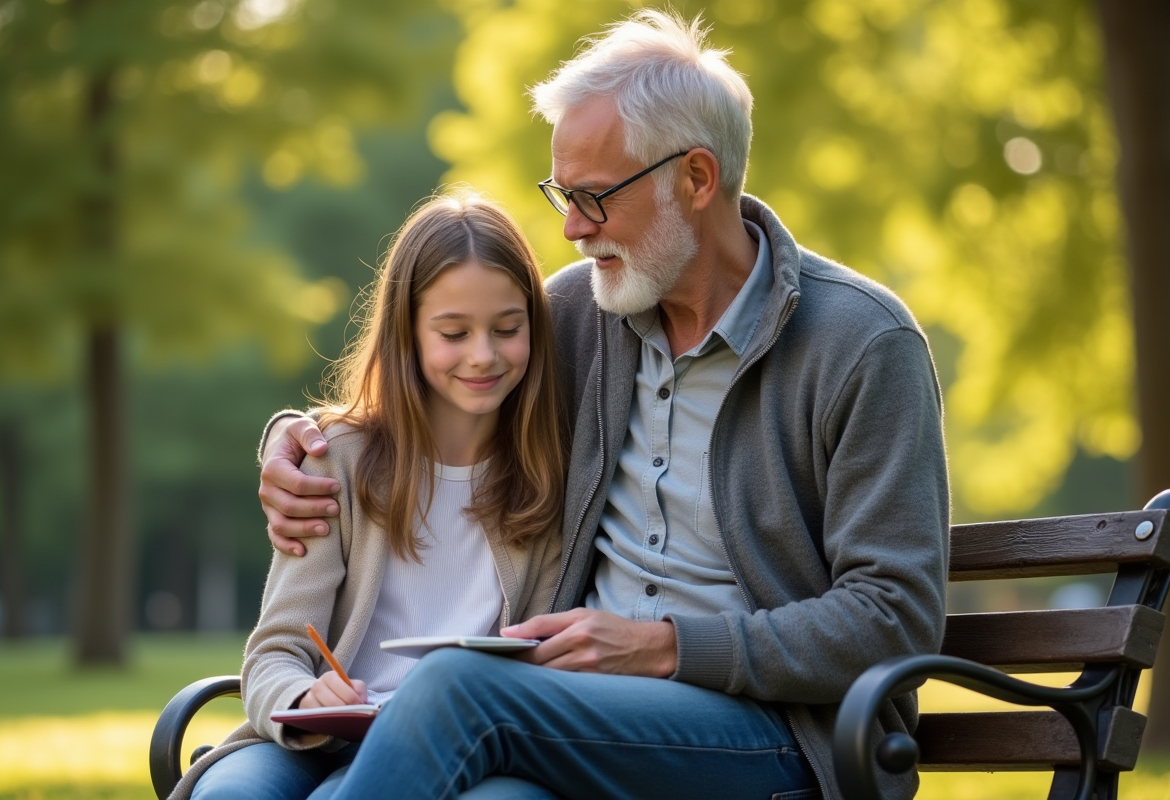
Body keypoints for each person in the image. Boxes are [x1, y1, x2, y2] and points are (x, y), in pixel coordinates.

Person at [258, 10, 949, 800]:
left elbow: (892, 615)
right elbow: (433, 387)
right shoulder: (581, 318)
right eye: (561, 193)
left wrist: (664, 647)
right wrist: (291, 441)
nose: (571, 228)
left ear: (696, 179)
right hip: (575, 718)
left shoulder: (862, 344)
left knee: (458, 688)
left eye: (595, 197)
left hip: (779, 734)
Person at [174, 192, 565, 800]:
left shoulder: (552, 473)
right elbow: (275, 651)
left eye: (508, 329)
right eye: (453, 333)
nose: (483, 355)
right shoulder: (340, 459)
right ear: (406, 334)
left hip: (472, 749)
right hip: (318, 741)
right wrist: (304, 696)